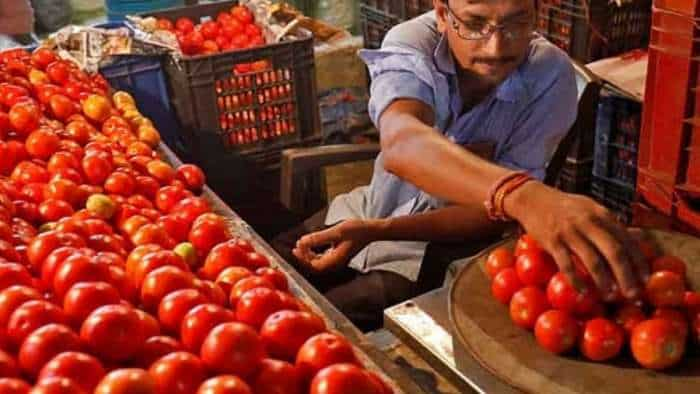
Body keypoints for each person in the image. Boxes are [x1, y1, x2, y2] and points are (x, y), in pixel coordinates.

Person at [273, 0, 648, 331]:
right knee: (266, 270)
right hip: (369, 207)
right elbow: (403, 142)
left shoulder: (550, 76)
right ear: (441, 13)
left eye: (517, 23)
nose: (496, 47)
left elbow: (489, 217)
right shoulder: (413, 42)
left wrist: (380, 231)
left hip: (440, 247)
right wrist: (521, 195)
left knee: (319, 326)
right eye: (473, 23)